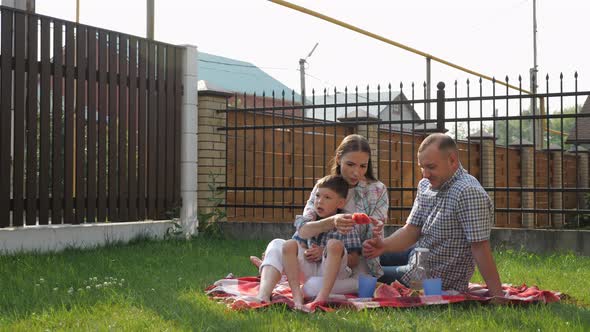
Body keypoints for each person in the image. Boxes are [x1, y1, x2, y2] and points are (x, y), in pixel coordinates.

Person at [364, 133, 504, 297]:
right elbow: (411, 230)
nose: (425, 174)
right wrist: (384, 245)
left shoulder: (468, 192)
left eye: (431, 167)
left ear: (452, 161)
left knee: (365, 273)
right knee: (362, 255)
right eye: (422, 167)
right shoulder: (425, 185)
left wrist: (497, 295)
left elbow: (480, 247)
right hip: (416, 255)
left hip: (430, 278)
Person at [254, 134, 388, 303]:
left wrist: (375, 237)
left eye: (363, 166)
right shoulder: (324, 186)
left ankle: (278, 273)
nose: (357, 172)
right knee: (277, 244)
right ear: (339, 159)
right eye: (350, 164)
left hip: (351, 266)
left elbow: (369, 245)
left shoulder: (377, 190)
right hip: (315, 261)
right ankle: (263, 295)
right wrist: (332, 222)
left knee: (311, 288)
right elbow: (303, 229)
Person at [283, 175, 361, 306]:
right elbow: (298, 244)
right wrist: (307, 251)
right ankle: (296, 295)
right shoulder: (311, 220)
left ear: (340, 203)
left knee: (333, 245)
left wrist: (324, 252)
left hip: (336, 275)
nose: (319, 201)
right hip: (312, 270)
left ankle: (321, 297)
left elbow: (354, 260)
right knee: (287, 245)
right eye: (317, 196)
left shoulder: (346, 225)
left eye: (327, 197)